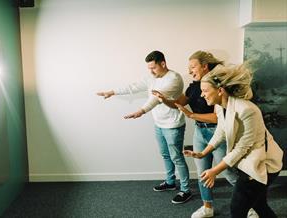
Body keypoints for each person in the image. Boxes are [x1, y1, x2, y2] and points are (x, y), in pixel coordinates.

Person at [185, 63, 283, 218]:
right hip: (248, 161)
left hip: (263, 164)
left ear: (220, 90)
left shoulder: (247, 110)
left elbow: (242, 147)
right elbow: (221, 131)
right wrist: (203, 153)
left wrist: (214, 171)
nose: (202, 95)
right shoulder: (220, 106)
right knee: (259, 205)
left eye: (205, 91)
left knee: (237, 210)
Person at [97, 50, 192, 204]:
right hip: (159, 124)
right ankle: (170, 182)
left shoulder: (174, 78)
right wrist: (112, 92)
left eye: (153, 67)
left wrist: (141, 111)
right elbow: (133, 87)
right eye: (149, 68)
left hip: (173, 125)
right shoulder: (151, 77)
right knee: (165, 155)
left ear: (163, 63)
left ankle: (186, 190)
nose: (151, 71)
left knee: (177, 157)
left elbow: (156, 98)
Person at [153, 51, 238, 218]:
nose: (190, 71)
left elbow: (216, 118)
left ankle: (250, 204)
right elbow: (178, 103)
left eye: (193, 67)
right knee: (203, 172)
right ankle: (207, 208)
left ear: (204, 66)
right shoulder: (193, 87)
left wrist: (191, 115)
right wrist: (164, 100)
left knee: (228, 173)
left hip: (217, 133)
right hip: (200, 132)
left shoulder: (219, 87)